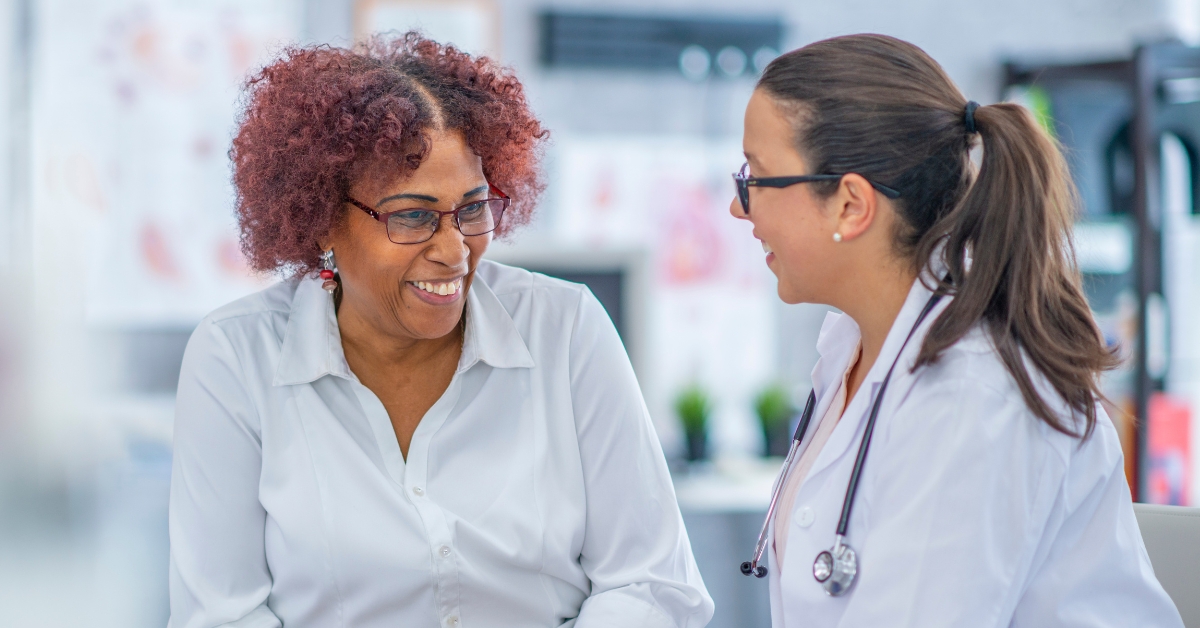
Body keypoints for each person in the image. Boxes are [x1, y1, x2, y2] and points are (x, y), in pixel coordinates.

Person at [167, 33, 712, 628]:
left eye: (473, 208)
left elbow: (652, 583)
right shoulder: (235, 357)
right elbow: (222, 614)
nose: (455, 251)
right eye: (412, 216)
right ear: (320, 219)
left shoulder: (566, 329)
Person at [731, 34, 1182, 627]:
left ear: (850, 205)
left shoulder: (975, 390)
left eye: (755, 180)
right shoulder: (853, 347)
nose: (740, 209)